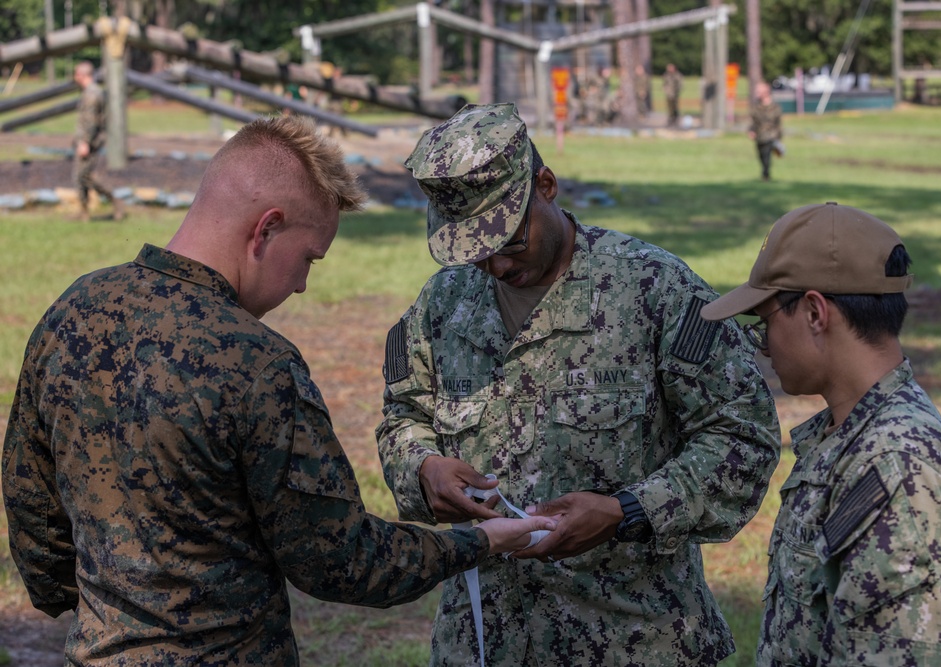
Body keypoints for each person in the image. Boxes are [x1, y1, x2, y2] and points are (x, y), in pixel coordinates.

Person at [1, 115, 555, 665]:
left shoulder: (73, 312)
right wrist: (484, 542)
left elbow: (33, 514)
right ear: (266, 228)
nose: (303, 283)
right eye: (310, 257)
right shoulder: (257, 362)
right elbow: (341, 560)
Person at [376, 102, 781, 666]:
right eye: (474, 250)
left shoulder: (652, 290)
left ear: (547, 185)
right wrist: (422, 468)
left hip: (633, 638)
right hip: (486, 641)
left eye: (509, 240)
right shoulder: (442, 306)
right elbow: (402, 418)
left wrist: (627, 510)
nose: (494, 265)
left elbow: (743, 439)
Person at [700, 202, 941, 665]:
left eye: (766, 321)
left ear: (815, 312)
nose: (764, 343)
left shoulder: (895, 468)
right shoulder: (855, 436)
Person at [72, 61, 124, 221]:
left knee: (84, 176)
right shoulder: (91, 92)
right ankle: (84, 213)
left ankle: (115, 202)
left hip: (90, 142)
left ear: (81, 75)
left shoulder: (92, 94)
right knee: (82, 176)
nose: (74, 78)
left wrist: (84, 142)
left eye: (76, 74)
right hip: (89, 141)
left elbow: (91, 122)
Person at [747, 81, 783, 181]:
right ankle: (765, 171)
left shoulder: (775, 107)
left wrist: (779, 137)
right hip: (760, 135)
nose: (757, 92)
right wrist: (751, 130)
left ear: (766, 91)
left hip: (771, 135)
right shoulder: (756, 106)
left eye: (759, 91)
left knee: (767, 154)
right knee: (761, 155)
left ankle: (766, 174)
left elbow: (778, 123)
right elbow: (753, 121)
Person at [663, 62, 683, 126]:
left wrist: (676, 92)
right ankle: (670, 118)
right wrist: (665, 89)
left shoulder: (677, 75)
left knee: (675, 106)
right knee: (669, 107)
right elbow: (665, 83)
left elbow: (680, 84)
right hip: (669, 93)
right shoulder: (666, 75)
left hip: (675, 93)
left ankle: (675, 118)